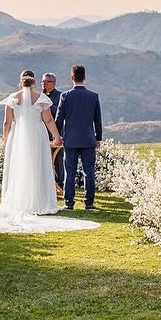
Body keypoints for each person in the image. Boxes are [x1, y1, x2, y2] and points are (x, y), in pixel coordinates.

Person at [0, 69, 64, 227]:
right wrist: (57, 136)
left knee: (19, 168)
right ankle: (38, 201)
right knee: (38, 166)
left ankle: (19, 201)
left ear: (20, 81)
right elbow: (49, 120)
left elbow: (7, 123)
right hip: (37, 134)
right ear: (34, 82)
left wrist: (6, 140)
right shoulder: (41, 98)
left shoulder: (12, 99)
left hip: (18, 137)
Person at [55, 64, 103, 211]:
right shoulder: (93, 96)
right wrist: (98, 138)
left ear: (71, 78)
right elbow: (97, 120)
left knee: (70, 171)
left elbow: (58, 118)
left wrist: (57, 136)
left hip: (70, 140)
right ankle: (89, 203)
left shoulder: (65, 96)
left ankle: (69, 203)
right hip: (88, 139)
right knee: (89, 172)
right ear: (85, 78)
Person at [41, 72, 65, 190]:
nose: (44, 84)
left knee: (58, 160)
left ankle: (60, 184)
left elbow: (61, 113)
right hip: (40, 132)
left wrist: (47, 106)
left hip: (56, 133)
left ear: (53, 83)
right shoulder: (38, 96)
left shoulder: (60, 96)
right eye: (42, 81)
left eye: (46, 81)